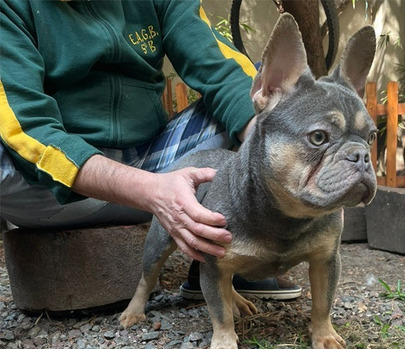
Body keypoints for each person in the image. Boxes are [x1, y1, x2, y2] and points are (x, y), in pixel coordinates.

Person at [0, 0, 301, 300]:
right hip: (47, 190)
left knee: (267, 100)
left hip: (153, 159)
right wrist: (153, 192)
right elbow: (28, 128)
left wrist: (295, 167)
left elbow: (223, 72)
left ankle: (225, 256)